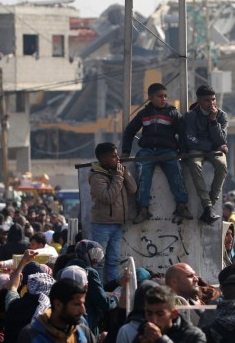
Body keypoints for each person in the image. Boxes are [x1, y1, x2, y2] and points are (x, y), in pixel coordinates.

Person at [121, 83, 191, 224]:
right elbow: (129, 131)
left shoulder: (173, 113)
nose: (163, 99)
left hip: (168, 151)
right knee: (142, 177)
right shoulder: (144, 114)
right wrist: (126, 152)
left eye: (165, 96)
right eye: (159, 96)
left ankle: (182, 205)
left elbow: (182, 134)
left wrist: (183, 151)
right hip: (147, 152)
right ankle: (143, 209)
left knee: (176, 174)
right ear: (150, 98)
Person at [89, 142, 137, 282]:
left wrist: (123, 173)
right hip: (102, 225)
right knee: (98, 262)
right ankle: (97, 290)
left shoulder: (117, 172)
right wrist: (118, 177)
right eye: (114, 156)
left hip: (117, 224)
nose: (118, 159)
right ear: (104, 160)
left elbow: (133, 189)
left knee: (113, 261)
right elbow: (108, 197)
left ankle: (111, 288)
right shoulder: (97, 176)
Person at [184, 85, 227, 224]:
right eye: (207, 100)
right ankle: (206, 204)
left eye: (213, 99)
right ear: (199, 101)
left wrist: (213, 121)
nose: (212, 103)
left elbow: (221, 139)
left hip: (214, 151)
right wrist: (212, 145)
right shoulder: (191, 115)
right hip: (198, 149)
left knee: (222, 165)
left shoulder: (221, 115)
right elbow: (190, 139)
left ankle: (210, 206)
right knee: (195, 164)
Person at [17, 278, 95, 343]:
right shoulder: (31, 335)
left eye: (83, 304)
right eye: (77, 304)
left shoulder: (83, 333)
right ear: (58, 305)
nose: (83, 310)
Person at [136, 285, 206, 343]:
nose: (154, 320)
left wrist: (161, 340)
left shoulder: (193, 335)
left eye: (160, 314)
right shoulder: (144, 331)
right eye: (149, 313)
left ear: (174, 313)